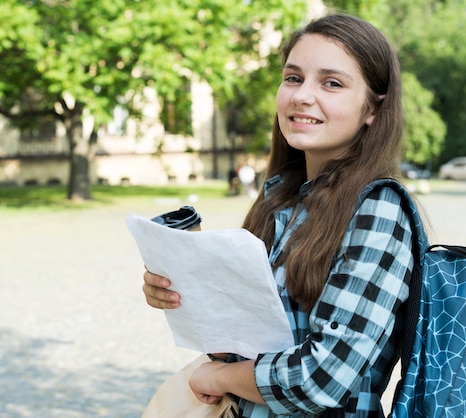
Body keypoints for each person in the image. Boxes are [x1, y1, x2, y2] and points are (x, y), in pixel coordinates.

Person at [143, 13, 416, 417]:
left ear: (372, 109)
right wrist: (183, 292)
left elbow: (321, 379)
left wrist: (217, 377)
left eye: (332, 83)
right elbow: (244, 345)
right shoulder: (280, 200)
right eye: (293, 78)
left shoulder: (378, 208)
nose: (302, 96)